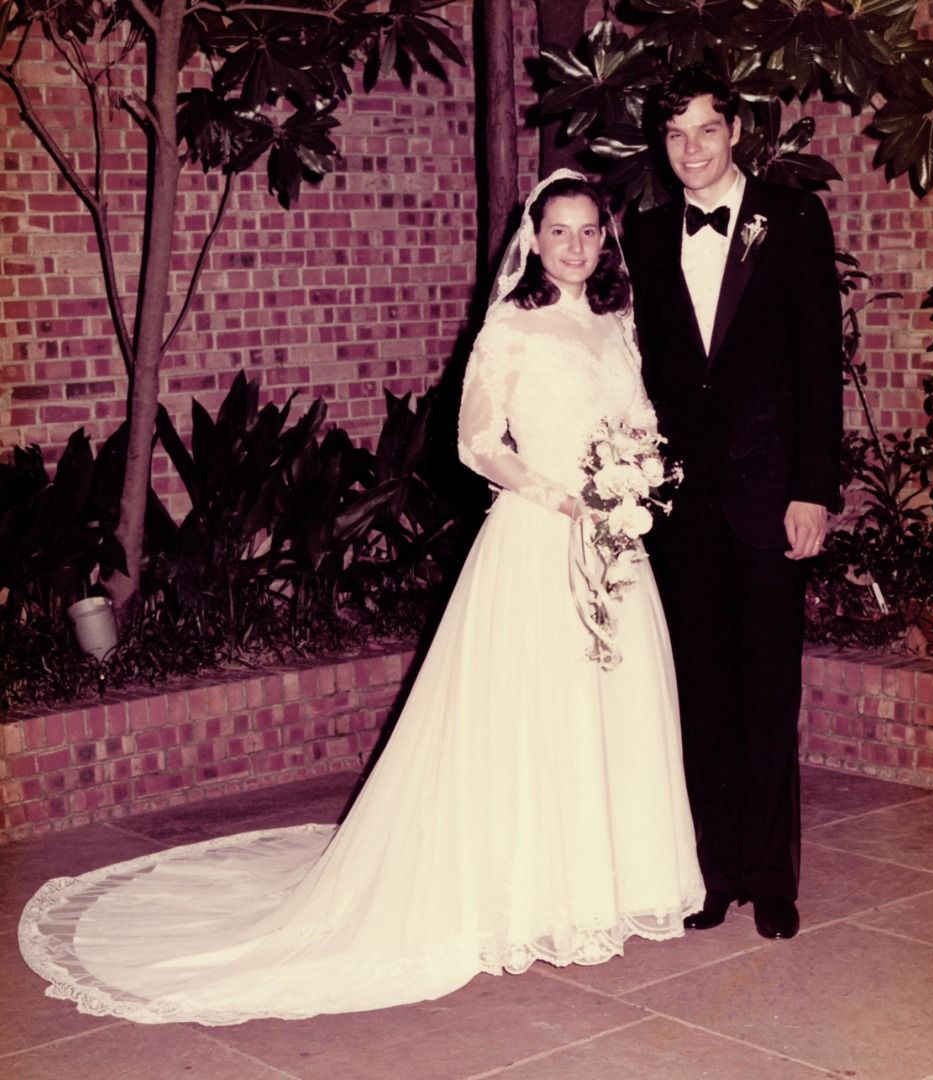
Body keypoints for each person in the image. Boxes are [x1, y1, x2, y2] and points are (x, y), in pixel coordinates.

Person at [16, 170, 705, 1024]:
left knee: (609, 707)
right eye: (557, 231)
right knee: (537, 709)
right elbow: (477, 441)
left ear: (606, 237)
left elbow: (637, 425)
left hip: (613, 545)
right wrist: (564, 495)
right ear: (534, 238)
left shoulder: (615, 322)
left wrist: (632, 479)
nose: (573, 246)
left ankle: (606, 881)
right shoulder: (510, 325)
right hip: (540, 533)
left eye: (587, 231)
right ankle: (528, 890)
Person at [621, 67, 843, 941]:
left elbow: (819, 361)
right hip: (681, 506)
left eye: (705, 132)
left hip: (770, 495)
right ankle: (712, 874)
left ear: (737, 130)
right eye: (674, 137)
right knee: (701, 692)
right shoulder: (641, 233)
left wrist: (812, 490)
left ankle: (771, 876)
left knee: (766, 689)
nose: (691, 151)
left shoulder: (790, 219)